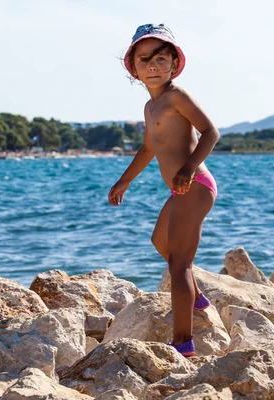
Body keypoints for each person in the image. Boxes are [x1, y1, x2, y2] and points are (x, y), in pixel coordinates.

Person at [108, 23, 220, 357]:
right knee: (160, 241)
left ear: (174, 63)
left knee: (179, 264)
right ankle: (197, 297)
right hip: (179, 190)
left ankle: (184, 342)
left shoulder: (176, 97)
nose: (153, 65)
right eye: (145, 60)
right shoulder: (150, 107)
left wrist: (187, 169)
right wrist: (125, 179)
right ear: (134, 68)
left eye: (160, 58)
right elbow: (148, 149)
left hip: (195, 184)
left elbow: (210, 132)